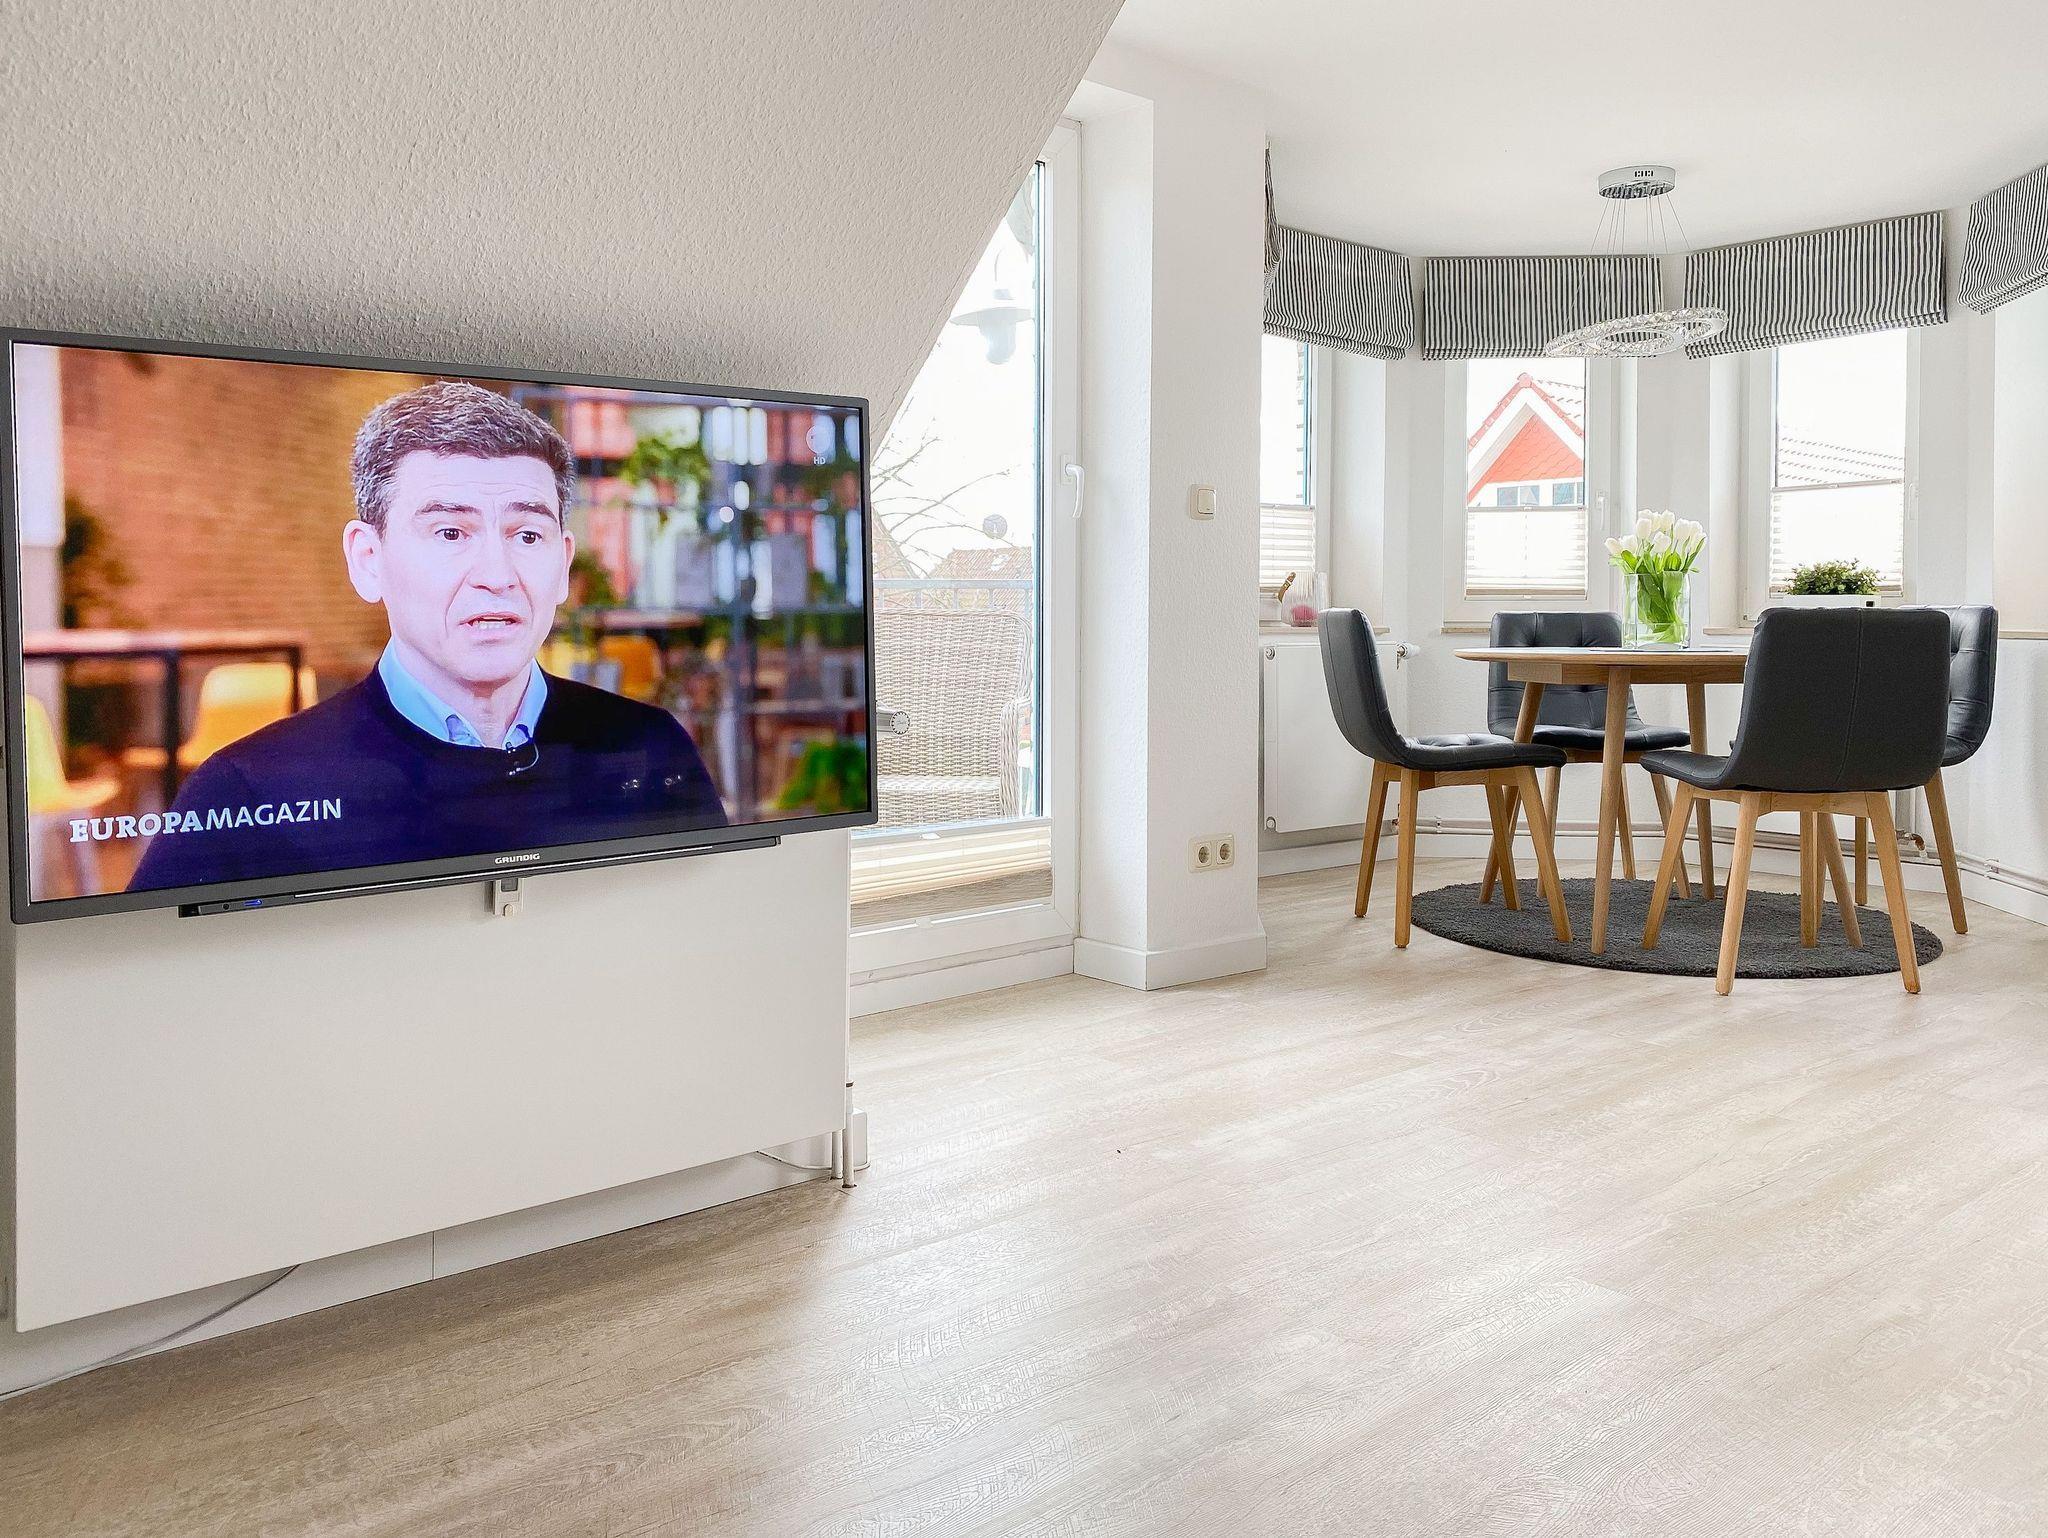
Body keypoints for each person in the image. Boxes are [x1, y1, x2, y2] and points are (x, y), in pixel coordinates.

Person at [128, 381, 726, 892]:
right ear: (368, 560)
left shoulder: (649, 751)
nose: (497, 575)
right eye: (450, 533)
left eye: (527, 536)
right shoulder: (251, 793)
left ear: (564, 563)